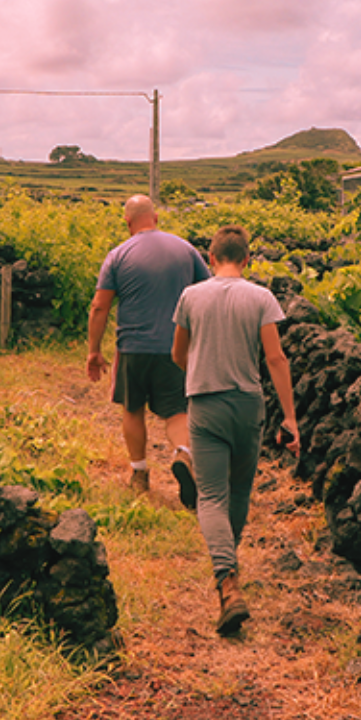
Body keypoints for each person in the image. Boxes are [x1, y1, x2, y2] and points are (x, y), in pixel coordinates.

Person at [172, 224, 300, 636]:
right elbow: (276, 358)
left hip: (205, 403)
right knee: (240, 491)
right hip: (248, 404)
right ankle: (230, 570)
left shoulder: (192, 296)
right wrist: (291, 418)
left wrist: (201, 371)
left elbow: (178, 353)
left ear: (210, 259)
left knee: (210, 495)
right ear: (248, 259)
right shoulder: (261, 297)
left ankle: (227, 582)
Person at [87, 194, 210, 503]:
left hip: (133, 347)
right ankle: (184, 454)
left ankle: (139, 474)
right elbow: (208, 293)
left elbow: (99, 307)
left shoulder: (117, 255)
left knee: (132, 408)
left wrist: (94, 350)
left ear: (127, 223)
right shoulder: (186, 249)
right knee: (177, 411)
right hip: (176, 347)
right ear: (155, 218)